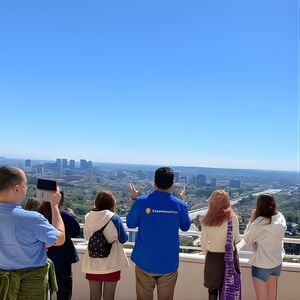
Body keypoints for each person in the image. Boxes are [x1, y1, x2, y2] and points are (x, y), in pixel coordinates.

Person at [0, 166, 65, 299]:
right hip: (32, 285)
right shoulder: (31, 218)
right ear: (17, 188)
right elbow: (60, 238)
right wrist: (54, 206)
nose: (26, 189)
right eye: (25, 185)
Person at [126, 166, 191, 300]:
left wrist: (134, 199)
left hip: (144, 261)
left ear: (154, 183)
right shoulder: (180, 205)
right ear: (172, 184)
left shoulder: (141, 202)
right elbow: (185, 227)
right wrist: (183, 202)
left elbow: (131, 224)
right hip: (168, 263)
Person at [81, 190, 129, 300]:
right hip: (111, 263)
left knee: (94, 296)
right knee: (109, 296)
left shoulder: (88, 217)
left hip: (92, 263)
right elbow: (123, 239)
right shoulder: (114, 218)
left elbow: (87, 237)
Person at [39, 189, 81, 300]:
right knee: (63, 293)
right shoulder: (65, 215)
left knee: (44, 292)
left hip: (42, 259)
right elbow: (76, 231)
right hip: (63, 260)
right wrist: (71, 214)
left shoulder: (38, 215)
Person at [244, 194, 286, 300]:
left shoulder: (258, 224)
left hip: (261, 265)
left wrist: (251, 221)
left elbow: (247, 239)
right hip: (276, 263)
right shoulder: (280, 217)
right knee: (271, 297)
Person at [200, 189, 240, 300]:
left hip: (212, 257)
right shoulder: (233, 218)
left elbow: (203, 242)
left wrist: (207, 252)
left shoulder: (206, 220)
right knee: (226, 289)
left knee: (212, 290)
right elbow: (236, 239)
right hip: (228, 258)